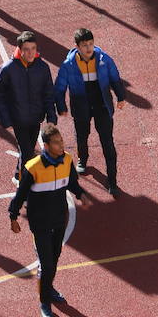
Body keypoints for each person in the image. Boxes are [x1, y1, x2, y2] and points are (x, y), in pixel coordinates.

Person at [8, 123, 91, 317]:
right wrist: (13, 215)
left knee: (54, 260)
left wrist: (80, 194)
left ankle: (48, 287)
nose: (61, 145)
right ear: (45, 145)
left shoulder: (67, 161)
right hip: (40, 223)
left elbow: (71, 183)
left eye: (61, 140)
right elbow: (21, 194)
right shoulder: (33, 167)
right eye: (56, 142)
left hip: (58, 219)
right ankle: (45, 302)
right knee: (46, 264)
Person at [53, 28, 128, 194]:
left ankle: (112, 181)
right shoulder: (68, 65)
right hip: (81, 104)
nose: (89, 48)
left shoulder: (105, 59)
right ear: (77, 47)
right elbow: (59, 87)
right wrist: (61, 106)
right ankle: (83, 159)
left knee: (107, 141)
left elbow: (115, 78)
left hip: (101, 102)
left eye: (91, 44)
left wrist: (121, 97)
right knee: (82, 135)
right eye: (85, 45)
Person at [0, 30, 57, 184]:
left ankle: (16, 175)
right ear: (19, 49)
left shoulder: (42, 68)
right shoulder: (7, 69)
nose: (30, 53)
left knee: (27, 150)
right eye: (26, 49)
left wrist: (51, 116)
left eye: (33, 48)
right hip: (18, 119)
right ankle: (24, 186)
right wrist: (5, 120)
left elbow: (48, 93)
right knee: (28, 153)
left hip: (35, 118)